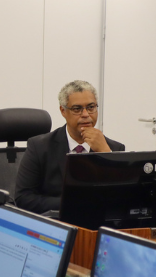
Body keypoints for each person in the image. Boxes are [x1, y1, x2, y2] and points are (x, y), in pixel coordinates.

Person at [14, 79, 126, 214]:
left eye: (91, 107)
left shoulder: (114, 148)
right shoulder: (39, 147)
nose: (86, 115)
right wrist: (74, 203)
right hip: (57, 222)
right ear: (63, 111)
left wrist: (106, 154)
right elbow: (23, 198)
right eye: (77, 109)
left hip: (97, 225)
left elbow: (122, 200)